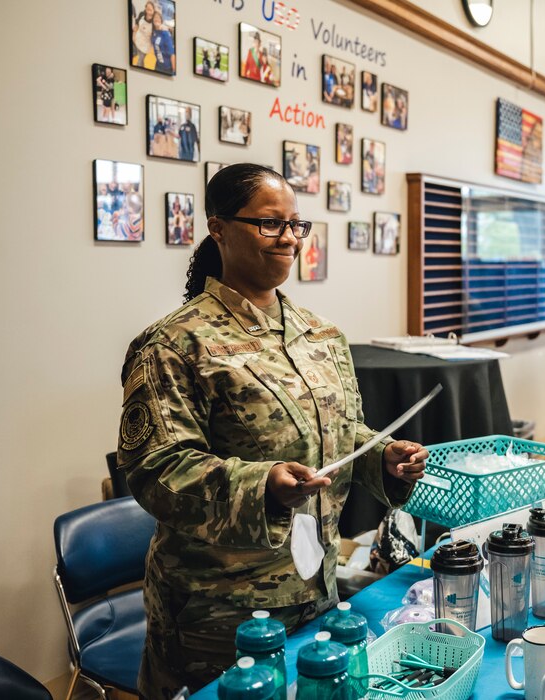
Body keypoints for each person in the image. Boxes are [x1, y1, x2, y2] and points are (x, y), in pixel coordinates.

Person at [115, 164, 429, 699]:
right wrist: (262, 485)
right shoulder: (174, 345)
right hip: (220, 611)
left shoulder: (322, 335)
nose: (287, 238)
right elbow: (157, 472)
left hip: (315, 589)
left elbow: (341, 433)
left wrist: (382, 459)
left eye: (295, 225)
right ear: (218, 228)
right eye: (268, 224)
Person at [131, 1, 155, 69]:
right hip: (137, 40)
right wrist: (133, 34)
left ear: (153, 10)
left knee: (140, 60)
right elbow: (136, 24)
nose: (149, 12)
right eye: (147, 9)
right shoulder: (142, 14)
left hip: (145, 46)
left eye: (150, 10)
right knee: (140, 60)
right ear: (145, 8)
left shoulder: (154, 22)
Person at [150, 11, 174, 75]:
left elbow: (172, 54)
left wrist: (174, 71)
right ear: (152, 20)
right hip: (158, 65)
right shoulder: (153, 33)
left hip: (167, 68)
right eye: (155, 17)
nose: (156, 19)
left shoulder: (165, 33)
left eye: (158, 17)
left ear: (161, 20)